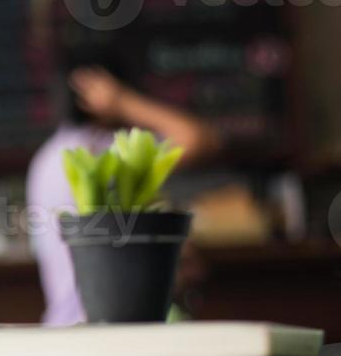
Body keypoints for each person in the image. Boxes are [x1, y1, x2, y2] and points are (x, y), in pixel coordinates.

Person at [26, 63, 223, 326]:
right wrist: (122, 101)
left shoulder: (47, 157)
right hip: (110, 332)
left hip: (64, 327)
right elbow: (200, 139)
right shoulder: (100, 152)